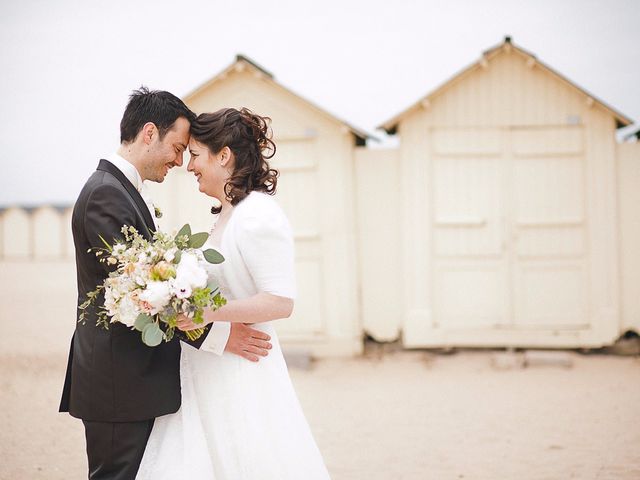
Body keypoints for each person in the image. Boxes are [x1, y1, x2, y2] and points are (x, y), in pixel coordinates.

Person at [59, 88, 273, 480]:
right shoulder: (107, 194)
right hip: (116, 381)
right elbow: (141, 290)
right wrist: (218, 335)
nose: (179, 161)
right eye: (177, 147)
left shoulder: (122, 191)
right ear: (149, 133)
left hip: (130, 378)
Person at [136, 107, 331, 479]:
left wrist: (207, 314)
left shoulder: (258, 216)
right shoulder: (229, 213)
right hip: (209, 368)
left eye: (194, 154)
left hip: (242, 373)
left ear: (223, 155)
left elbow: (280, 301)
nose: (188, 165)